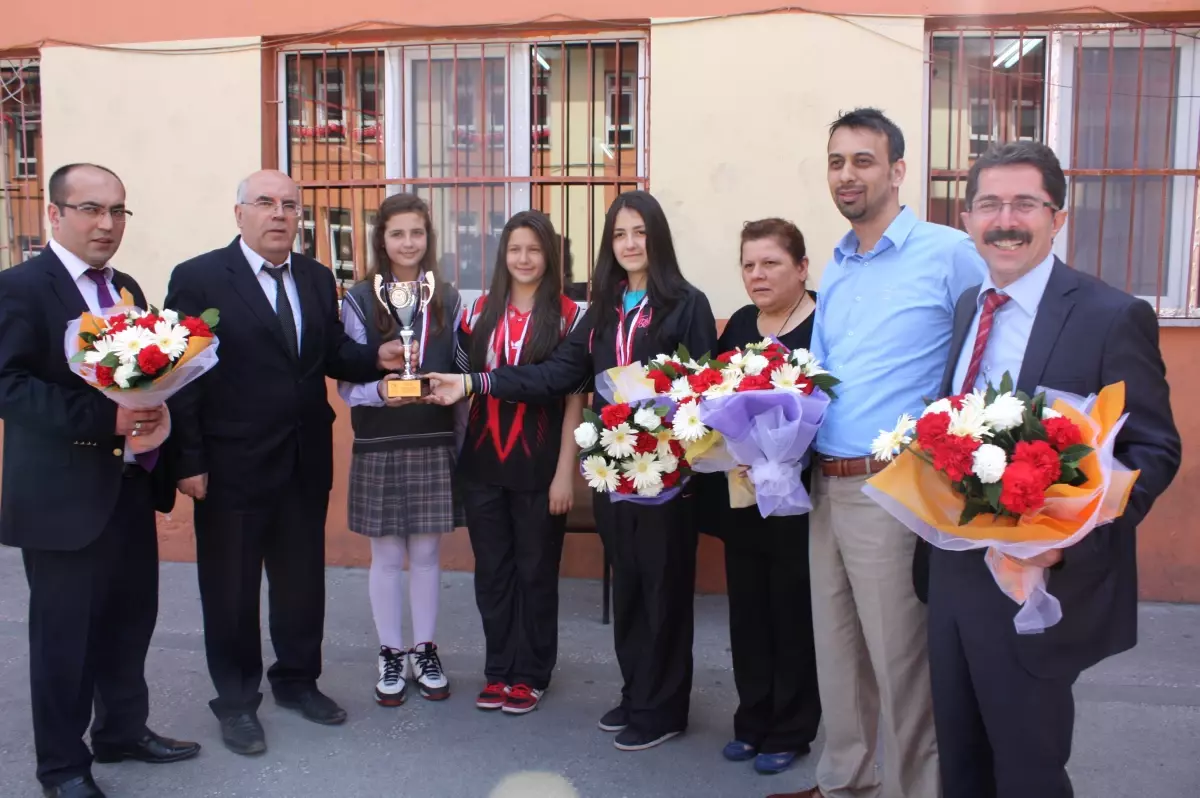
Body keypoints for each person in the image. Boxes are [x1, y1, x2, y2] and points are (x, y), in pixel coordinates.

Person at [930, 141, 1180, 798]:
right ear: (967, 218)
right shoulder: (968, 308)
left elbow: (1153, 450)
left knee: (1028, 768)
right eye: (989, 203)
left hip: (1034, 578)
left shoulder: (1109, 315)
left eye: (1024, 204)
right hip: (952, 572)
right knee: (960, 757)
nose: (1005, 219)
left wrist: (1068, 542)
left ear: (1057, 218)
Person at [427, 191, 718, 751]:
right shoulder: (603, 308)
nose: (630, 244)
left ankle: (665, 709)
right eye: (619, 235)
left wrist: (666, 434)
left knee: (664, 591)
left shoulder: (686, 302)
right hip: (614, 467)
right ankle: (637, 694)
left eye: (639, 232)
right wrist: (476, 382)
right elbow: (554, 375)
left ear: (656, 237)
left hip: (665, 472)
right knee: (630, 585)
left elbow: (701, 392)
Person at [770, 108, 987, 798]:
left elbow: (991, 347)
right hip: (825, 483)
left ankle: (916, 790)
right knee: (837, 655)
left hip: (895, 488)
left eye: (863, 161)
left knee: (901, 663)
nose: (847, 175)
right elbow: (826, 374)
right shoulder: (836, 263)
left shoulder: (948, 252)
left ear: (897, 171)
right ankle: (847, 784)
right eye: (837, 162)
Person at [164, 170, 407, 756]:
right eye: (265, 203)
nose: (279, 214)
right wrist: (187, 459)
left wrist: (376, 356)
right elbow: (181, 373)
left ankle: (298, 681)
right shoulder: (198, 277)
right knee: (231, 588)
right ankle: (238, 701)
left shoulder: (317, 277)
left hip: (303, 457)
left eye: (290, 205)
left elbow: (328, 353)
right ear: (239, 212)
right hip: (229, 464)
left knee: (301, 583)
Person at [0, 163, 200, 798]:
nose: (106, 224)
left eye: (117, 211)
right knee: (65, 640)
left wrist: (154, 410)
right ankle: (62, 768)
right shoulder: (20, 288)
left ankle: (121, 731)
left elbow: (142, 376)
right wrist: (106, 418)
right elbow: (9, 386)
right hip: (62, 500)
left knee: (129, 619)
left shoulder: (128, 289)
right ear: (54, 215)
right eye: (91, 209)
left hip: (127, 489)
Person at [699, 219, 821, 776]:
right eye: (749, 264)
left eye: (770, 263)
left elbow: (830, 401)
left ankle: (793, 728)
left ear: (800, 268)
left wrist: (789, 452)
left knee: (791, 611)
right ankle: (752, 720)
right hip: (745, 493)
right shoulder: (743, 324)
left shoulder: (825, 322)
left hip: (799, 498)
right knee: (747, 610)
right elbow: (719, 397)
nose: (757, 275)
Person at [455, 210, 586, 715]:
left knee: (536, 571)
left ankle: (532, 672)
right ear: (502, 255)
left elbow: (575, 397)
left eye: (534, 249)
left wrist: (563, 474)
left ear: (550, 255)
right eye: (515, 249)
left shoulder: (572, 316)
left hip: (540, 466)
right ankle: (497, 670)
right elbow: (460, 385)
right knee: (492, 571)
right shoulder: (478, 311)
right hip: (483, 464)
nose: (524, 258)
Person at [337, 193, 463, 706]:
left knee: (429, 553)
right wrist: (380, 391)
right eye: (397, 234)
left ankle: (424, 649)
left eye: (417, 233)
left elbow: (459, 369)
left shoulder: (448, 297)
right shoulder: (359, 299)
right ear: (381, 239)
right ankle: (391, 652)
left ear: (428, 239)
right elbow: (348, 381)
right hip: (380, 440)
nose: (408, 243)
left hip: (432, 437)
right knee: (388, 555)